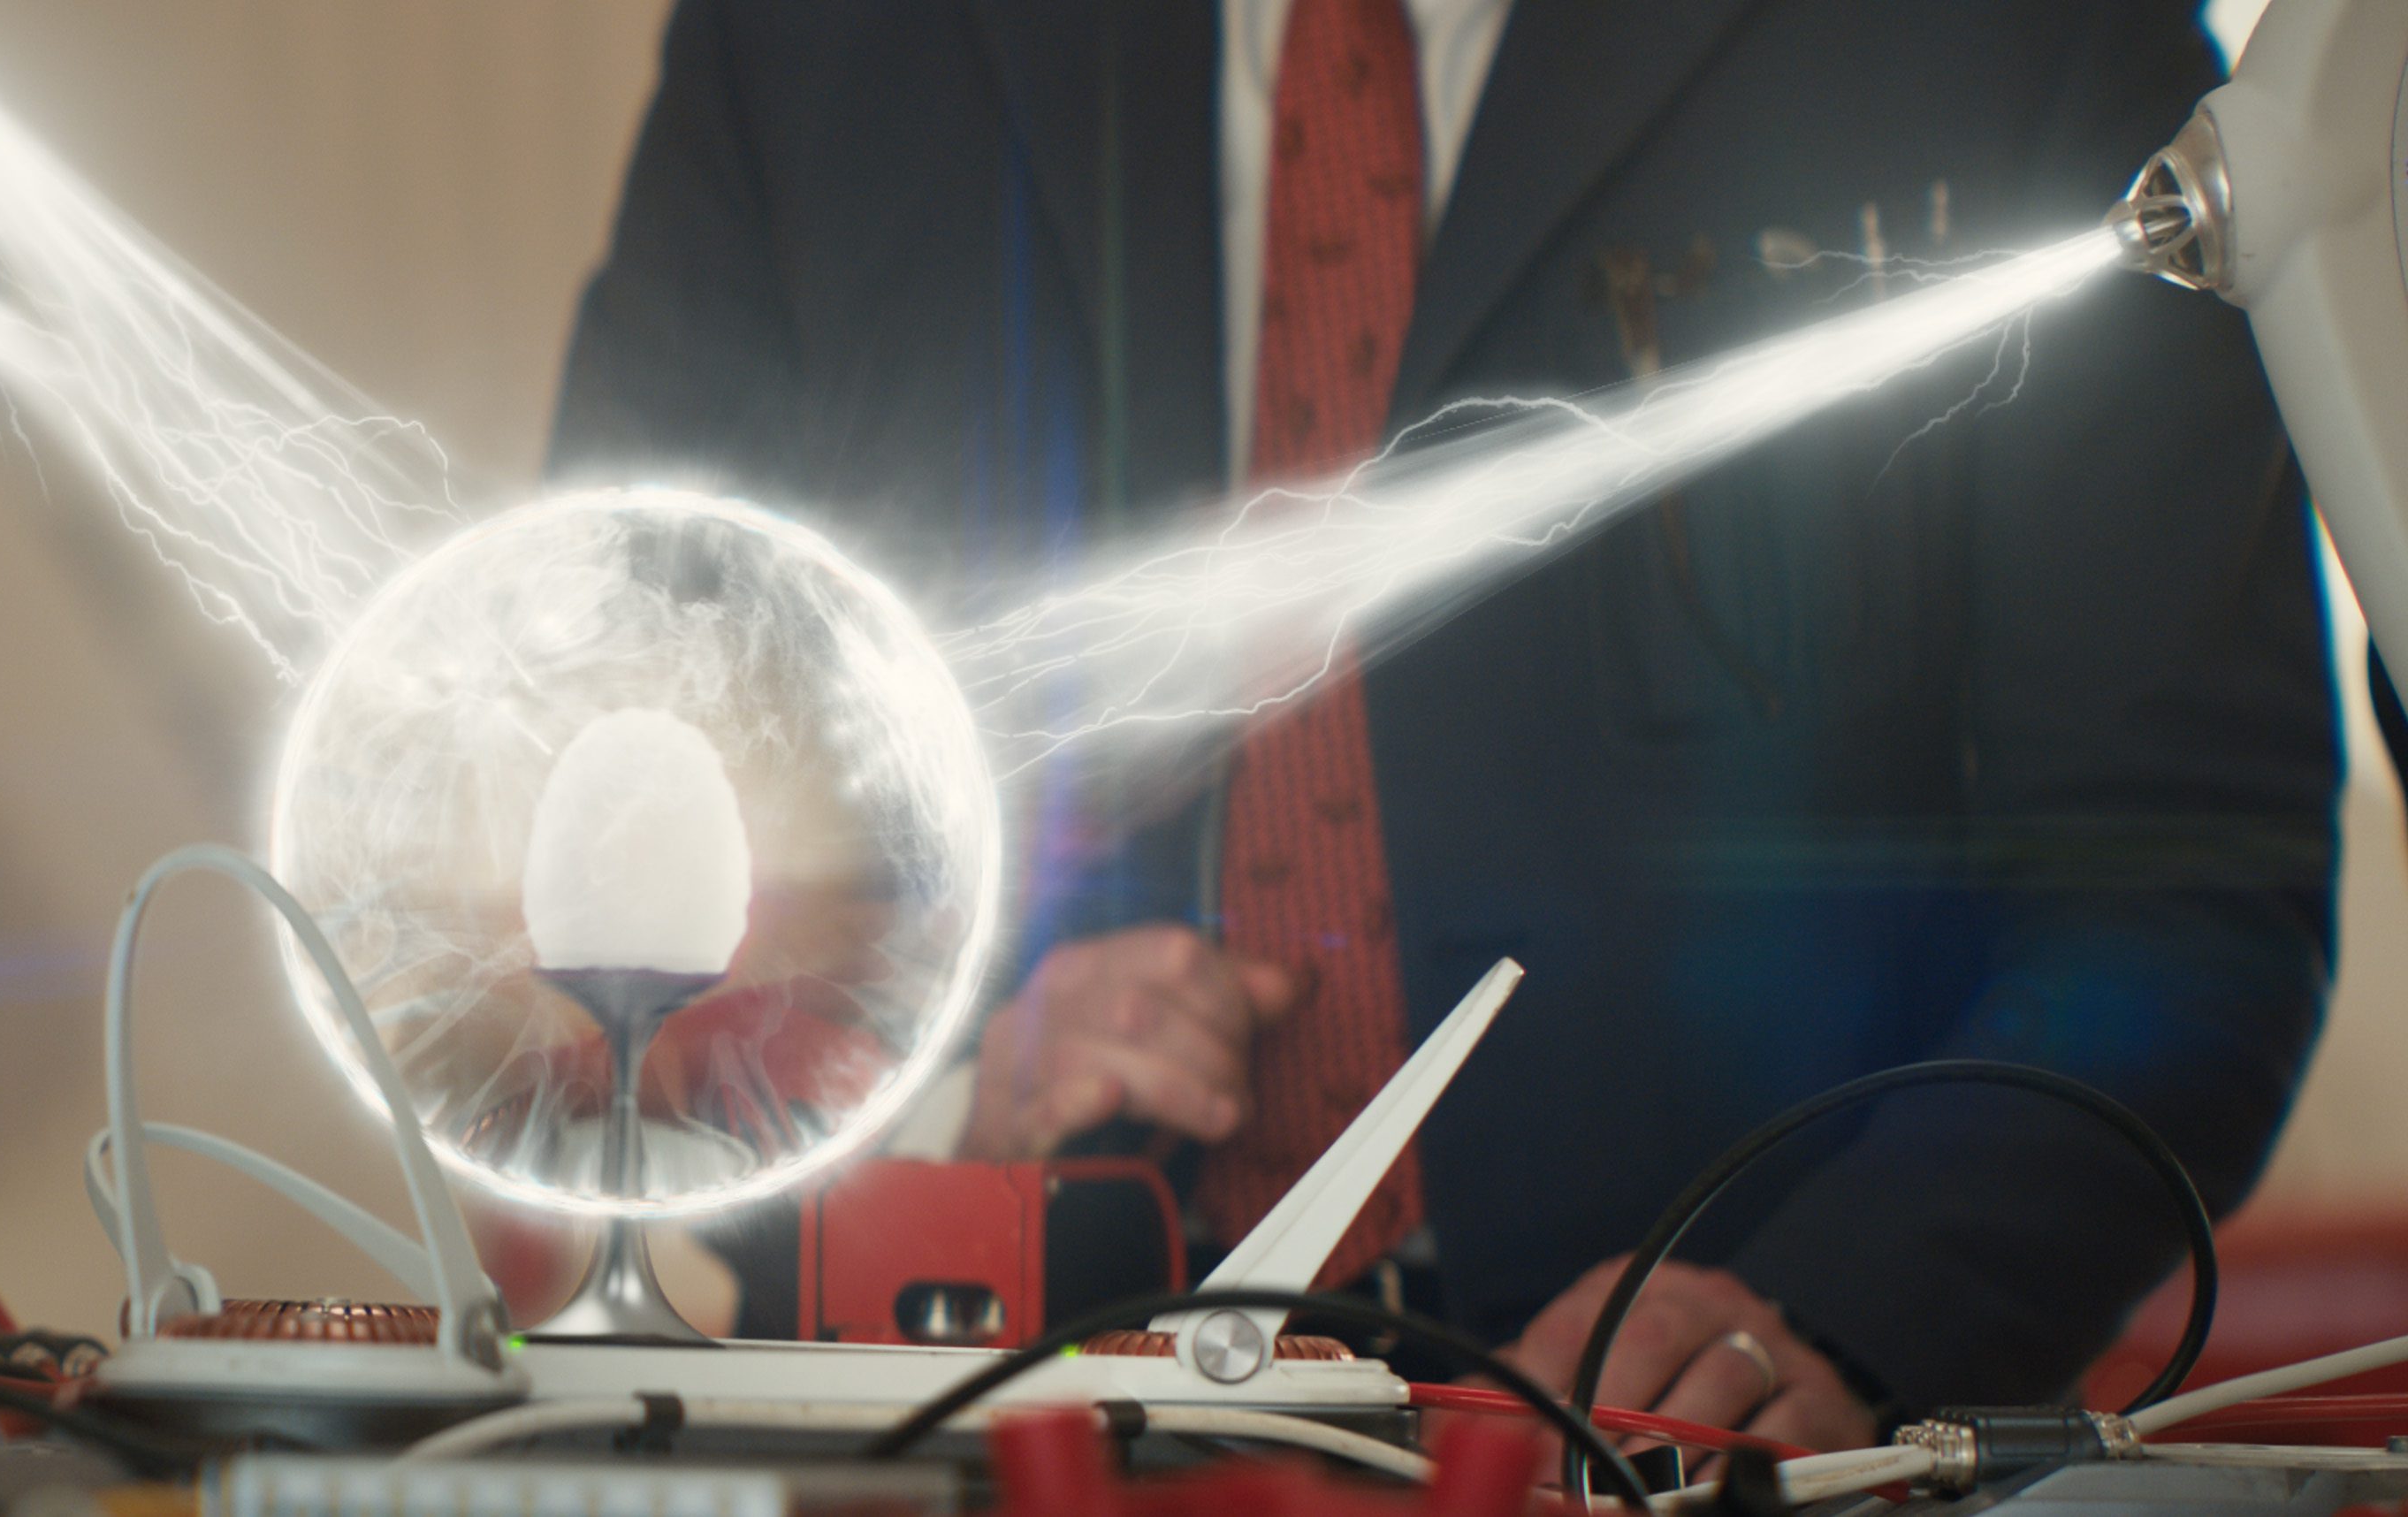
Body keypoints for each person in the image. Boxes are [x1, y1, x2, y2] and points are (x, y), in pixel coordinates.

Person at [545, 0, 2339, 1448]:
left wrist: (1835, 1316)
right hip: (987, 1429)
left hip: (1704, 1460)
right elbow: (615, 832)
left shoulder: (2022, 38)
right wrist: (925, 1105)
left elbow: (2183, 882)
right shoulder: (809, 47)